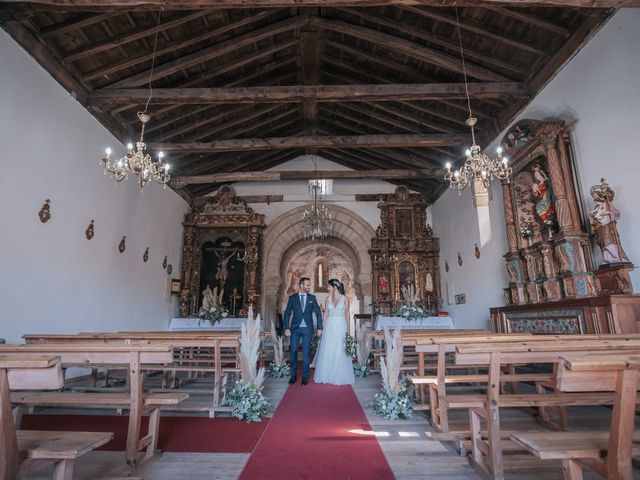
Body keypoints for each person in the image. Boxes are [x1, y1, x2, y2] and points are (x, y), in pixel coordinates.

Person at [313, 279, 355, 386]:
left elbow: (347, 314)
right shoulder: (328, 298)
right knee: (328, 348)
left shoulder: (345, 298)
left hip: (341, 325)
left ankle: (339, 375)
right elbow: (326, 313)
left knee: (339, 349)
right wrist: (321, 327)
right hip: (329, 326)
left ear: (334, 287)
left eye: (329, 286)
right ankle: (327, 374)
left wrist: (349, 330)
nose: (328, 288)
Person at [283, 277, 323, 386]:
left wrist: (320, 328)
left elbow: (318, 313)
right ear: (301, 285)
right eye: (307, 285)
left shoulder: (312, 298)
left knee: (306, 352)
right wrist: (286, 328)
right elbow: (287, 313)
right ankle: (293, 375)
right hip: (295, 329)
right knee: (293, 351)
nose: (309, 287)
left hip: (308, 329)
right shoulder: (292, 298)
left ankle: (305, 376)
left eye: (309, 285)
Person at [588, 179, 629, 264]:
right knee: (602, 242)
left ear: (600, 195)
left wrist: (608, 212)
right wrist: (592, 217)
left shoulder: (607, 204)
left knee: (608, 240)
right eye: (593, 196)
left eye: (595, 195)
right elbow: (594, 217)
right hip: (599, 227)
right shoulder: (597, 207)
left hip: (607, 225)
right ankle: (608, 258)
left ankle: (616, 257)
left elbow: (616, 213)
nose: (594, 198)